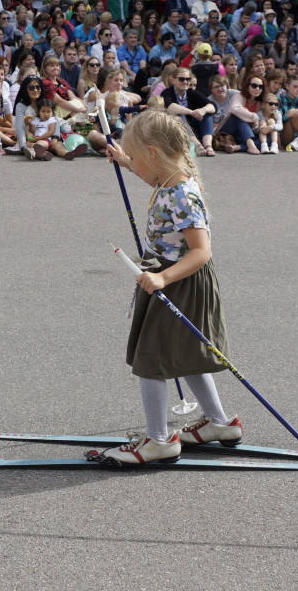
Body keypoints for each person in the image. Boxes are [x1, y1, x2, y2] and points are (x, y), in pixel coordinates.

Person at [98, 109, 243, 465]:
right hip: (171, 276)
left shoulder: (182, 194)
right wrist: (124, 160)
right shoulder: (169, 178)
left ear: (152, 154)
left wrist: (162, 277)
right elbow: (151, 178)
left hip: (178, 281)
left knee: (151, 358)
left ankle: (159, 441)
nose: (132, 163)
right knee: (186, 354)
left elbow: (202, 251)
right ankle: (220, 423)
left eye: (134, 157)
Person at [161, 66, 216, 156]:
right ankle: (197, 144)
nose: (185, 82)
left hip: (194, 126)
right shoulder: (167, 92)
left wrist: (202, 110)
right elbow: (170, 107)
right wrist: (192, 112)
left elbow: (212, 106)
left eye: (188, 79)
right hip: (175, 130)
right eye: (181, 79)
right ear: (174, 80)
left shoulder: (191, 92)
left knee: (207, 114)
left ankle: (208, 146)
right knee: (180, 115)